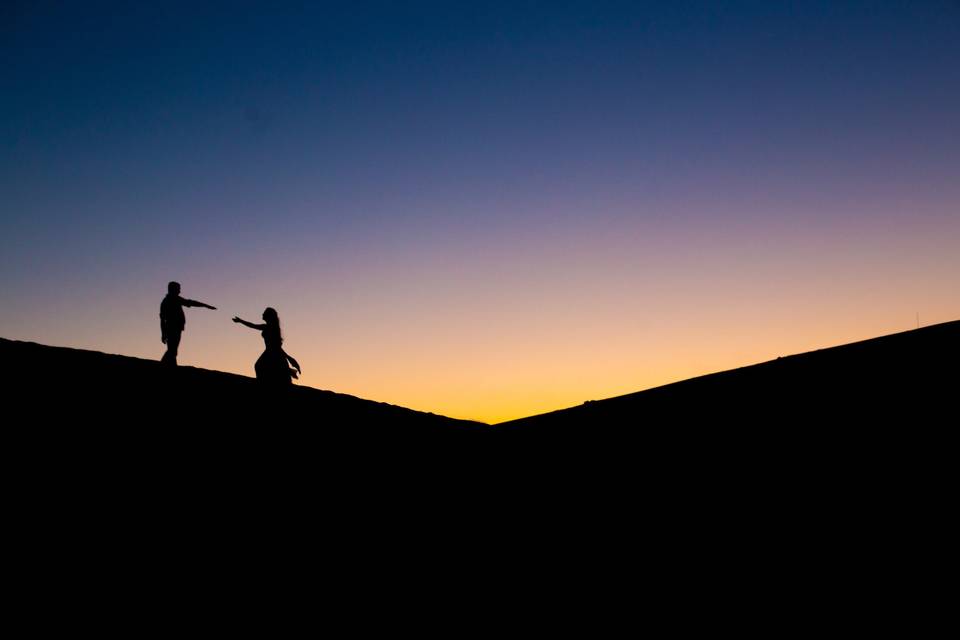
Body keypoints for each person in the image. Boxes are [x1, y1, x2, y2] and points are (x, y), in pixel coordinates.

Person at [232, 307, 302, 384]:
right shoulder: (268, 327)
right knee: (261, 367)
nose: (262, 314)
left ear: (269, 316)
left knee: (259, 366)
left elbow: (276, 346)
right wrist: (240, 321)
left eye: (264, 313)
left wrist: (289, 358)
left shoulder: (270, 328)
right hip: (270, 352)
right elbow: (252, 325)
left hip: (272, 353)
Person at [160, 281, 217, 366]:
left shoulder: (171, 300)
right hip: (173, 328)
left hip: (174, 328)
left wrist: (163, 333)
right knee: (172, 350)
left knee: (172, 350)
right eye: (178, 289)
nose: (179, 291)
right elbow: (190, 302)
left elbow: (190, 302)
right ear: (173, 289)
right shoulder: (172, 299)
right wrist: (206, 306)